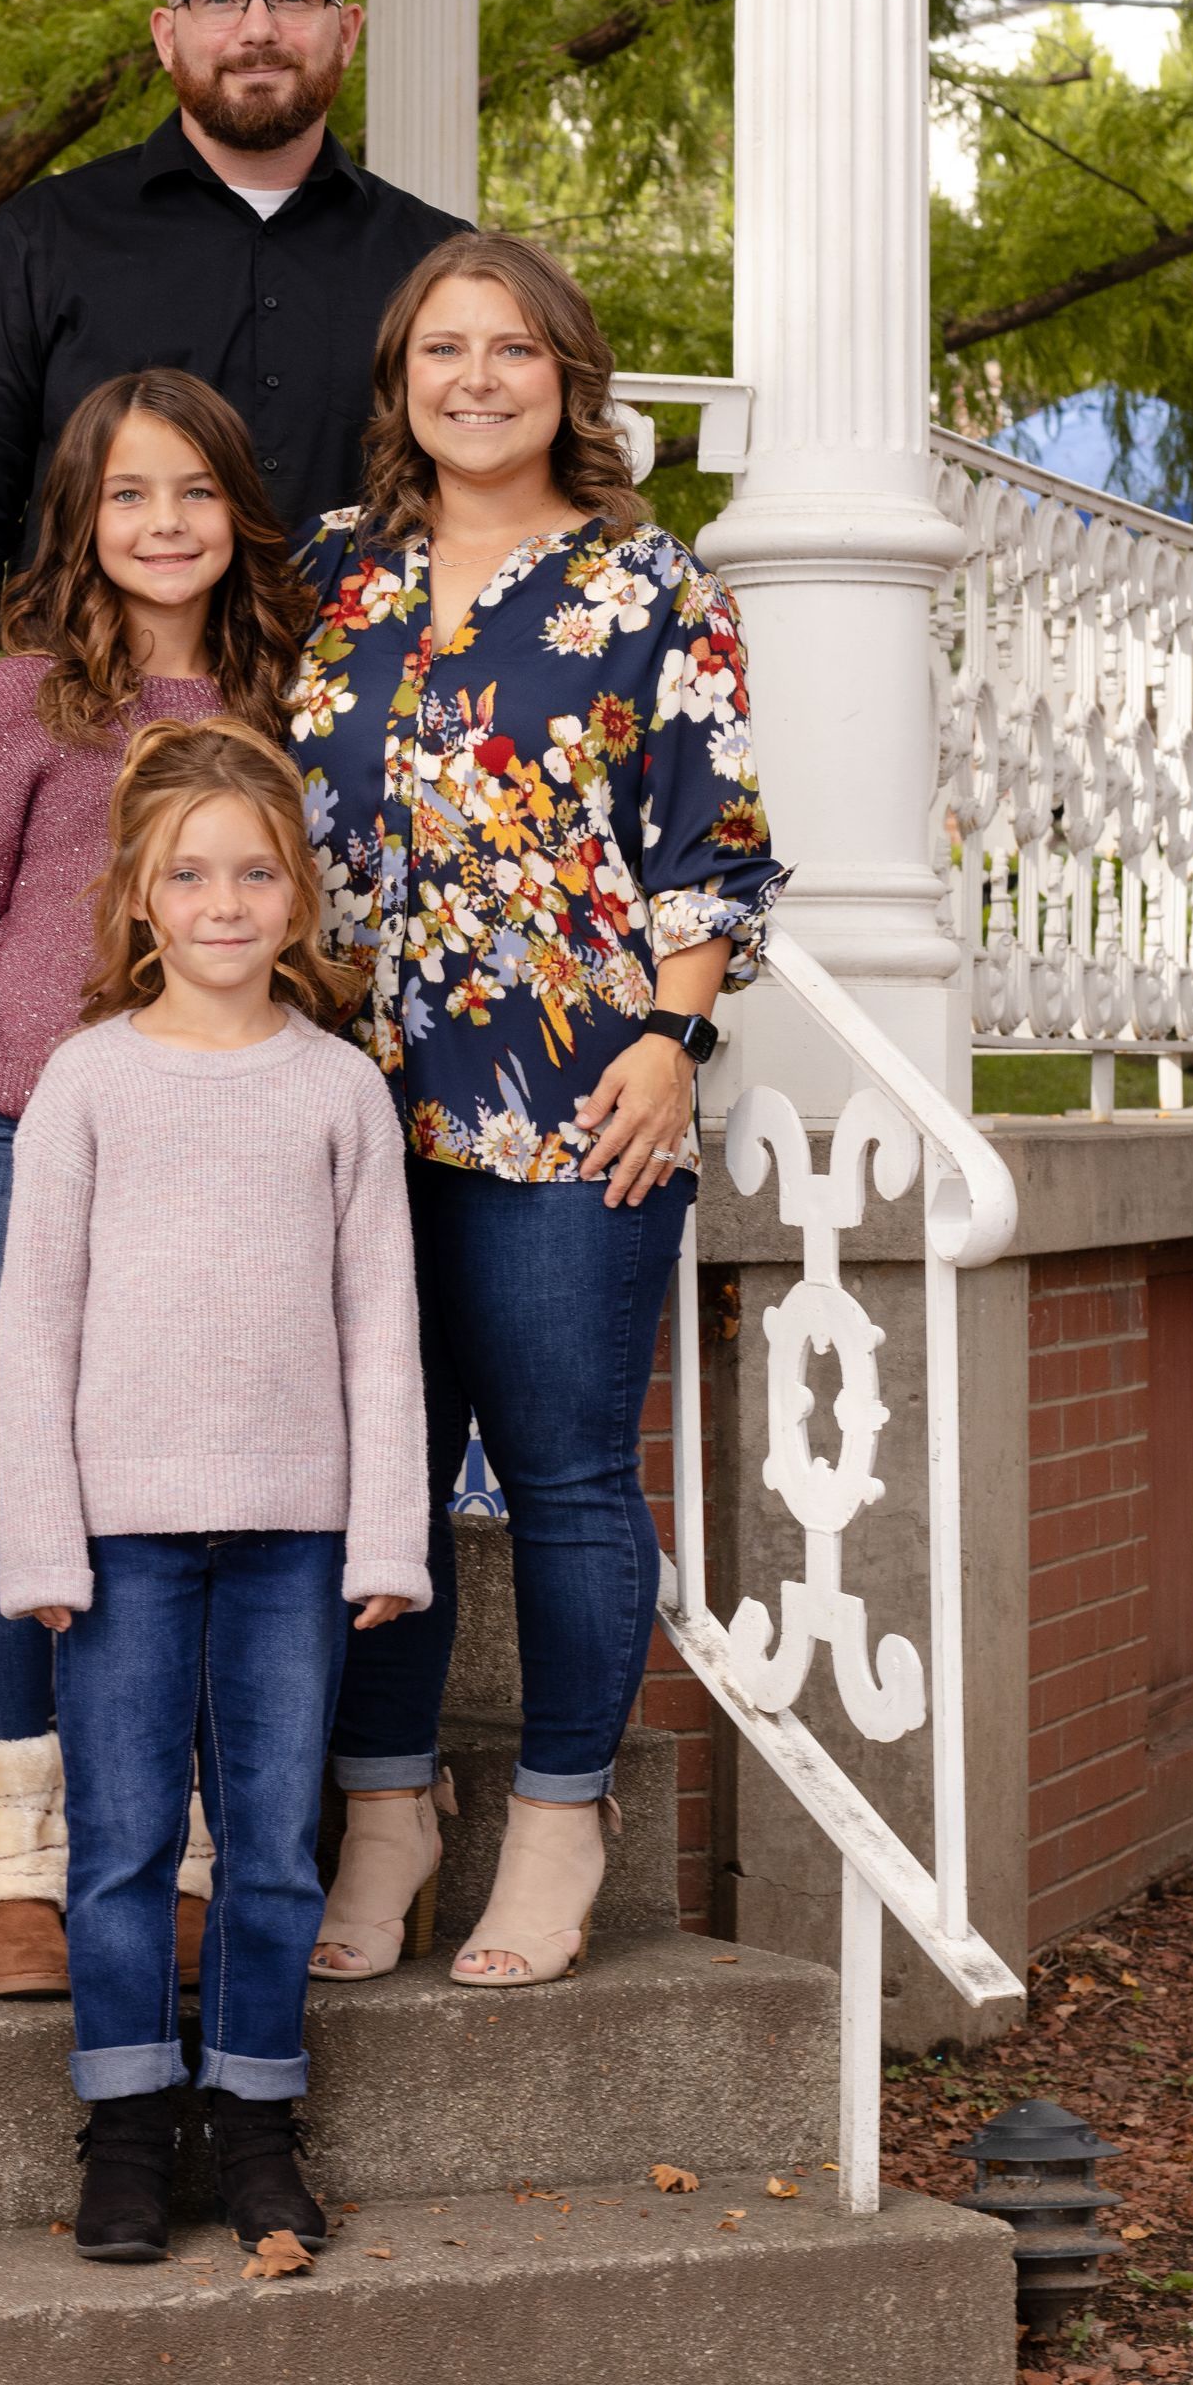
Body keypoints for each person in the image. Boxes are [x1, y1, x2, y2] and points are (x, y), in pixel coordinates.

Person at [288, 230, 788, 1989]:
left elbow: (711, 845)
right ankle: (387, 1809)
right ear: (400, 381)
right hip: (341, 1108)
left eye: (513, 348)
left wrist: (676, 1038)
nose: (476, 377)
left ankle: (565, 1816)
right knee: (380, 1477)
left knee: (571, 1476)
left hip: (580, 1104)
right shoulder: (333, 577)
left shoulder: (658, 594)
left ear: (572, 381)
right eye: (444, 348)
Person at [0, 373, 312, 1998]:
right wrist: (19, 1049)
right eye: (131, 496)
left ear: (235, 512)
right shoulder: (21, 702)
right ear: (83, 517)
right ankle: (1, 1860)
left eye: (195, 492)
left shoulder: (276, 696)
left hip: (228, 1147)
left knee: (193, 1489)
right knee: (22, 1481)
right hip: (37, 1136)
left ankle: (177, 1845)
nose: (163, 526)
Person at [0, 717, 431, 2261]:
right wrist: (41, 1534)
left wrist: (388, 1531)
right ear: (139, 900)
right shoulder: (86, 1081)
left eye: (256, 872)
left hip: (295, 1539)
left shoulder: (338, 1092)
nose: (225, 902)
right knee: (116, 1842)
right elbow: (31, 1326)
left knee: (270, 1842)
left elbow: (383, 1329)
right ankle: (124, 2125)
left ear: (298, 899)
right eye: (192, 874)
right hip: (118, 1541)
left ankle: (252, 2122)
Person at [0, 0, 464, 826]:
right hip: (90, 759)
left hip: (374, 765)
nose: (258, 27)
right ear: (167, 34)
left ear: (346, 29)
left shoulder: (435, 264)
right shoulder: (42, 240)